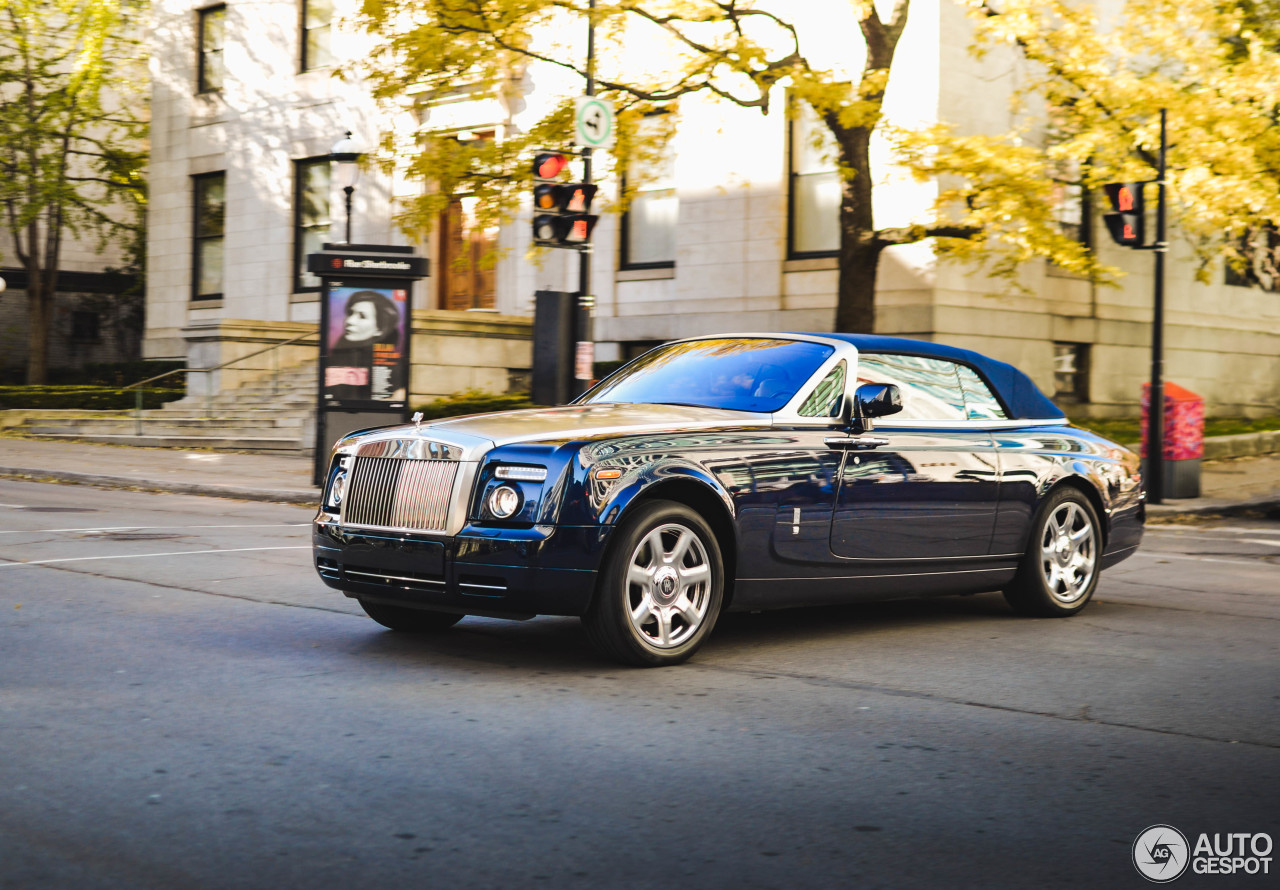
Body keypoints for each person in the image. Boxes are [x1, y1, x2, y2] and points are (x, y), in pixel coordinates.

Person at [326, 290, 407, 402]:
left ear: (379, 330)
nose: (350, 321)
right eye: (350, 313)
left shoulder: (394, 366)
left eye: (362, 316)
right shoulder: (334, 358)